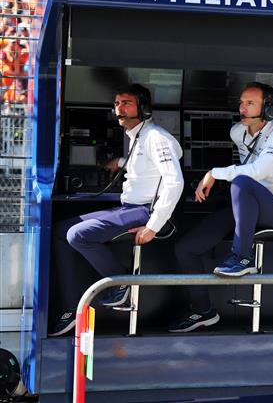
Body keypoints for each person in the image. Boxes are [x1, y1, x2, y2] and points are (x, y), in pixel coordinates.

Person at [49, 84, 184, 336]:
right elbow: (145, 166)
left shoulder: (156, 137)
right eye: (117, 104)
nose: (119, 109)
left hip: (146, 211)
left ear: (143, 108)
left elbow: (175, 181)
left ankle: (120, 282)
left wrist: (153, 225)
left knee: (78, 235)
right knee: (59, 231)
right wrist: (120, 163)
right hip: (130, 207)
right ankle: (69, 308)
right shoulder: (137, 136)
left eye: (126, 103)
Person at [170, 82, 273, 332]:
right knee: (185, 248)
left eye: (250, 103)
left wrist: (214, 174)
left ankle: (242, 256)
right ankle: (203, 310)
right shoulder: (237, 132)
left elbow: (258, 172)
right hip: (249, 205)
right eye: (241, 102)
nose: (242, 107)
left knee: (242, 181)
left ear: (268, 107)